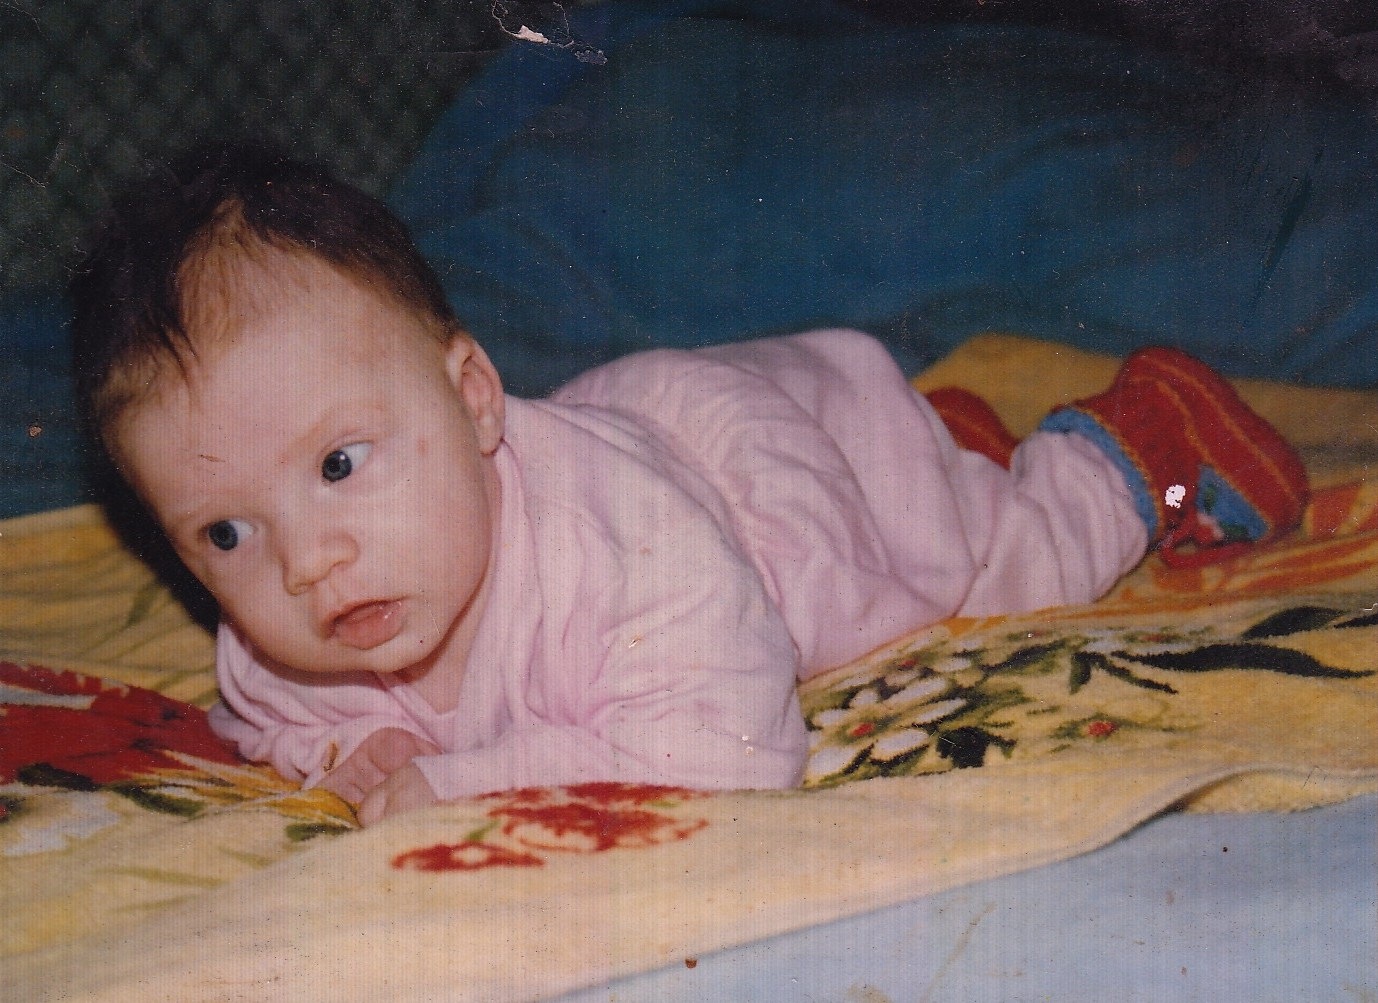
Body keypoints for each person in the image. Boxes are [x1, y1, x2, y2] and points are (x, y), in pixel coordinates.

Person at [69, 145, 1308, 826]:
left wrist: (455, 775)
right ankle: (942, 438)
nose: (306, 562)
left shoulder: (620, 550)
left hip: (760, 483)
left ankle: (1140, 440)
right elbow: (276, 725)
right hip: (672, 433)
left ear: (474, 399)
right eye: (225, 532)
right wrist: (362, 740)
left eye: (340, 465)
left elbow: (736, 745)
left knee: (986, 570)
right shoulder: (278, 645)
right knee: (914, 461)